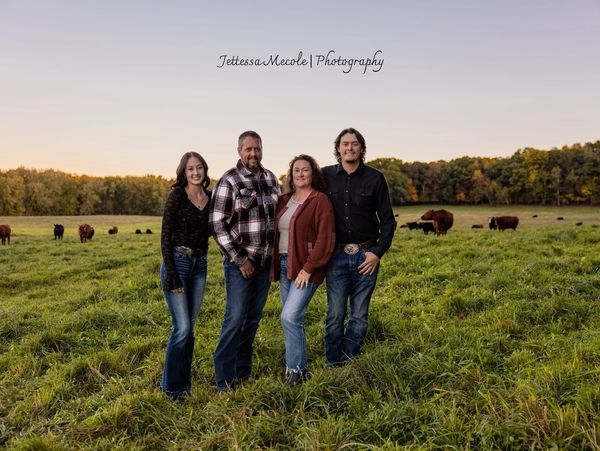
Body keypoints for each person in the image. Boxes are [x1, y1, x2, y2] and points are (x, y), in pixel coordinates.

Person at [210, 130, 280, 392]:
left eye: (257, 148)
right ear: (239, 150)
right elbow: (217, 224)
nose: (253, 153)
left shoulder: (272, 179)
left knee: (252, 319)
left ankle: (242, 372)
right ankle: (224, 379)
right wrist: (240, 260)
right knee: (235, 317)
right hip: (240, 264)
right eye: (248, 149)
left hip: (264, 263)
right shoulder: (230, 180)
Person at [322, 127, 395, 366]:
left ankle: (348, 359)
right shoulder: (324, 177)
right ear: (338, 149)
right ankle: (333, 362)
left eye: (354, 144)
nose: (349, 148)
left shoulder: (376, 178)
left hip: (367, 254)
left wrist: (377, 253)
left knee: (359, 315)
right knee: (335, 314)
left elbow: (387, 220)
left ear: (361, 149)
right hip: (336, 255)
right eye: (345, 144)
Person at [271, 155, 335, 386]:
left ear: (313, 173)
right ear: (291, 174)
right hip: (284, 265)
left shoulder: (320, 201)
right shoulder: (284, 200)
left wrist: (308, 268)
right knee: (291, 319)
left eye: (305, 170)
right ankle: (296, 369)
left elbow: (325, 239)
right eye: (296, 170)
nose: (300, 174)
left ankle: (296, 371)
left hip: (305, 267)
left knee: (289, 316)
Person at [160, 151, 211, 399]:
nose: (195, 172)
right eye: (190, 168)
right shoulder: (177, 196)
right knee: (181, 328)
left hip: (199, 266)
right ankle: (171, 388)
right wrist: (171, 273)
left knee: (190, 330)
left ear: (205, 170)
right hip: (177, 264)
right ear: (183, 172)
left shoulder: (210, 198)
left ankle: (184, 385)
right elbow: (165, 234)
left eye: (199, 167)